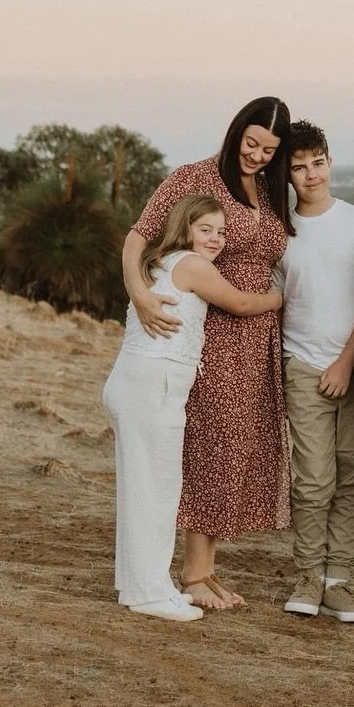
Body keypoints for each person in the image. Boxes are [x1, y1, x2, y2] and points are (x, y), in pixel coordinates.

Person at [124, 96, 293, 611]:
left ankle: (205, 567)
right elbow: (137, 237)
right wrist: (138, 292)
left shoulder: (269, 190)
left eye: (269, 150)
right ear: (236, 131)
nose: (257, 156)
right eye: (251, 143)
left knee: (235, 447)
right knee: (210, 445)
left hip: (256, 340)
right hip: (214, 331)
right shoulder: (193, 177)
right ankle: (193, 572)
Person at [102, 196, 283, 621]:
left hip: (141, 383)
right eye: (206, 230)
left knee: (145, 488)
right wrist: (278, 298)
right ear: (184, 229)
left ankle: (141, 585)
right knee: (156, 490)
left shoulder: (159, 261)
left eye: (222, 232)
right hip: (154, 385)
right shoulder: (191, 265)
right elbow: (240, 303)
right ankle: (148, 593)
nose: (216, 239)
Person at [277, 121, 354, 623]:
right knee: (313, 480)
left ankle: (339, 582)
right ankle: (308, 575)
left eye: (317, 163)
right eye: (299, 167)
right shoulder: (280, 230)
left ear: (330, 163)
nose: (311, 174)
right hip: (303, 366)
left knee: (349, 478)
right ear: (287, 173)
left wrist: (345, 362)